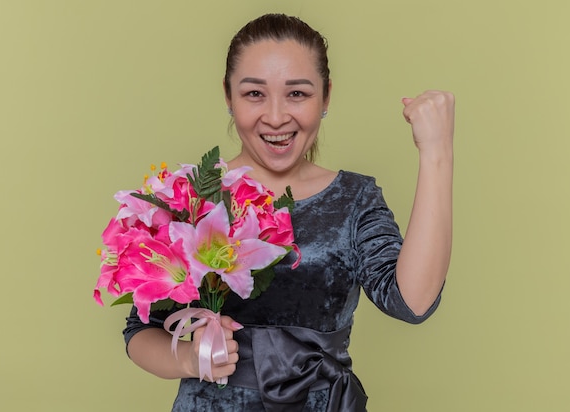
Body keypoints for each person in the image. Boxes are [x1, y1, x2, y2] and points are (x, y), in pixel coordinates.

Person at [123, 13, 454, 412]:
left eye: (297, 93)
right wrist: (190, 358)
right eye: (254, 94)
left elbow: (412, 303)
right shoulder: (191, 197)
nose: (277, 117)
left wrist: (436, 152)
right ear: (228, 96)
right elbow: (140, 331)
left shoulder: (354, 198)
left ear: (326, 96)